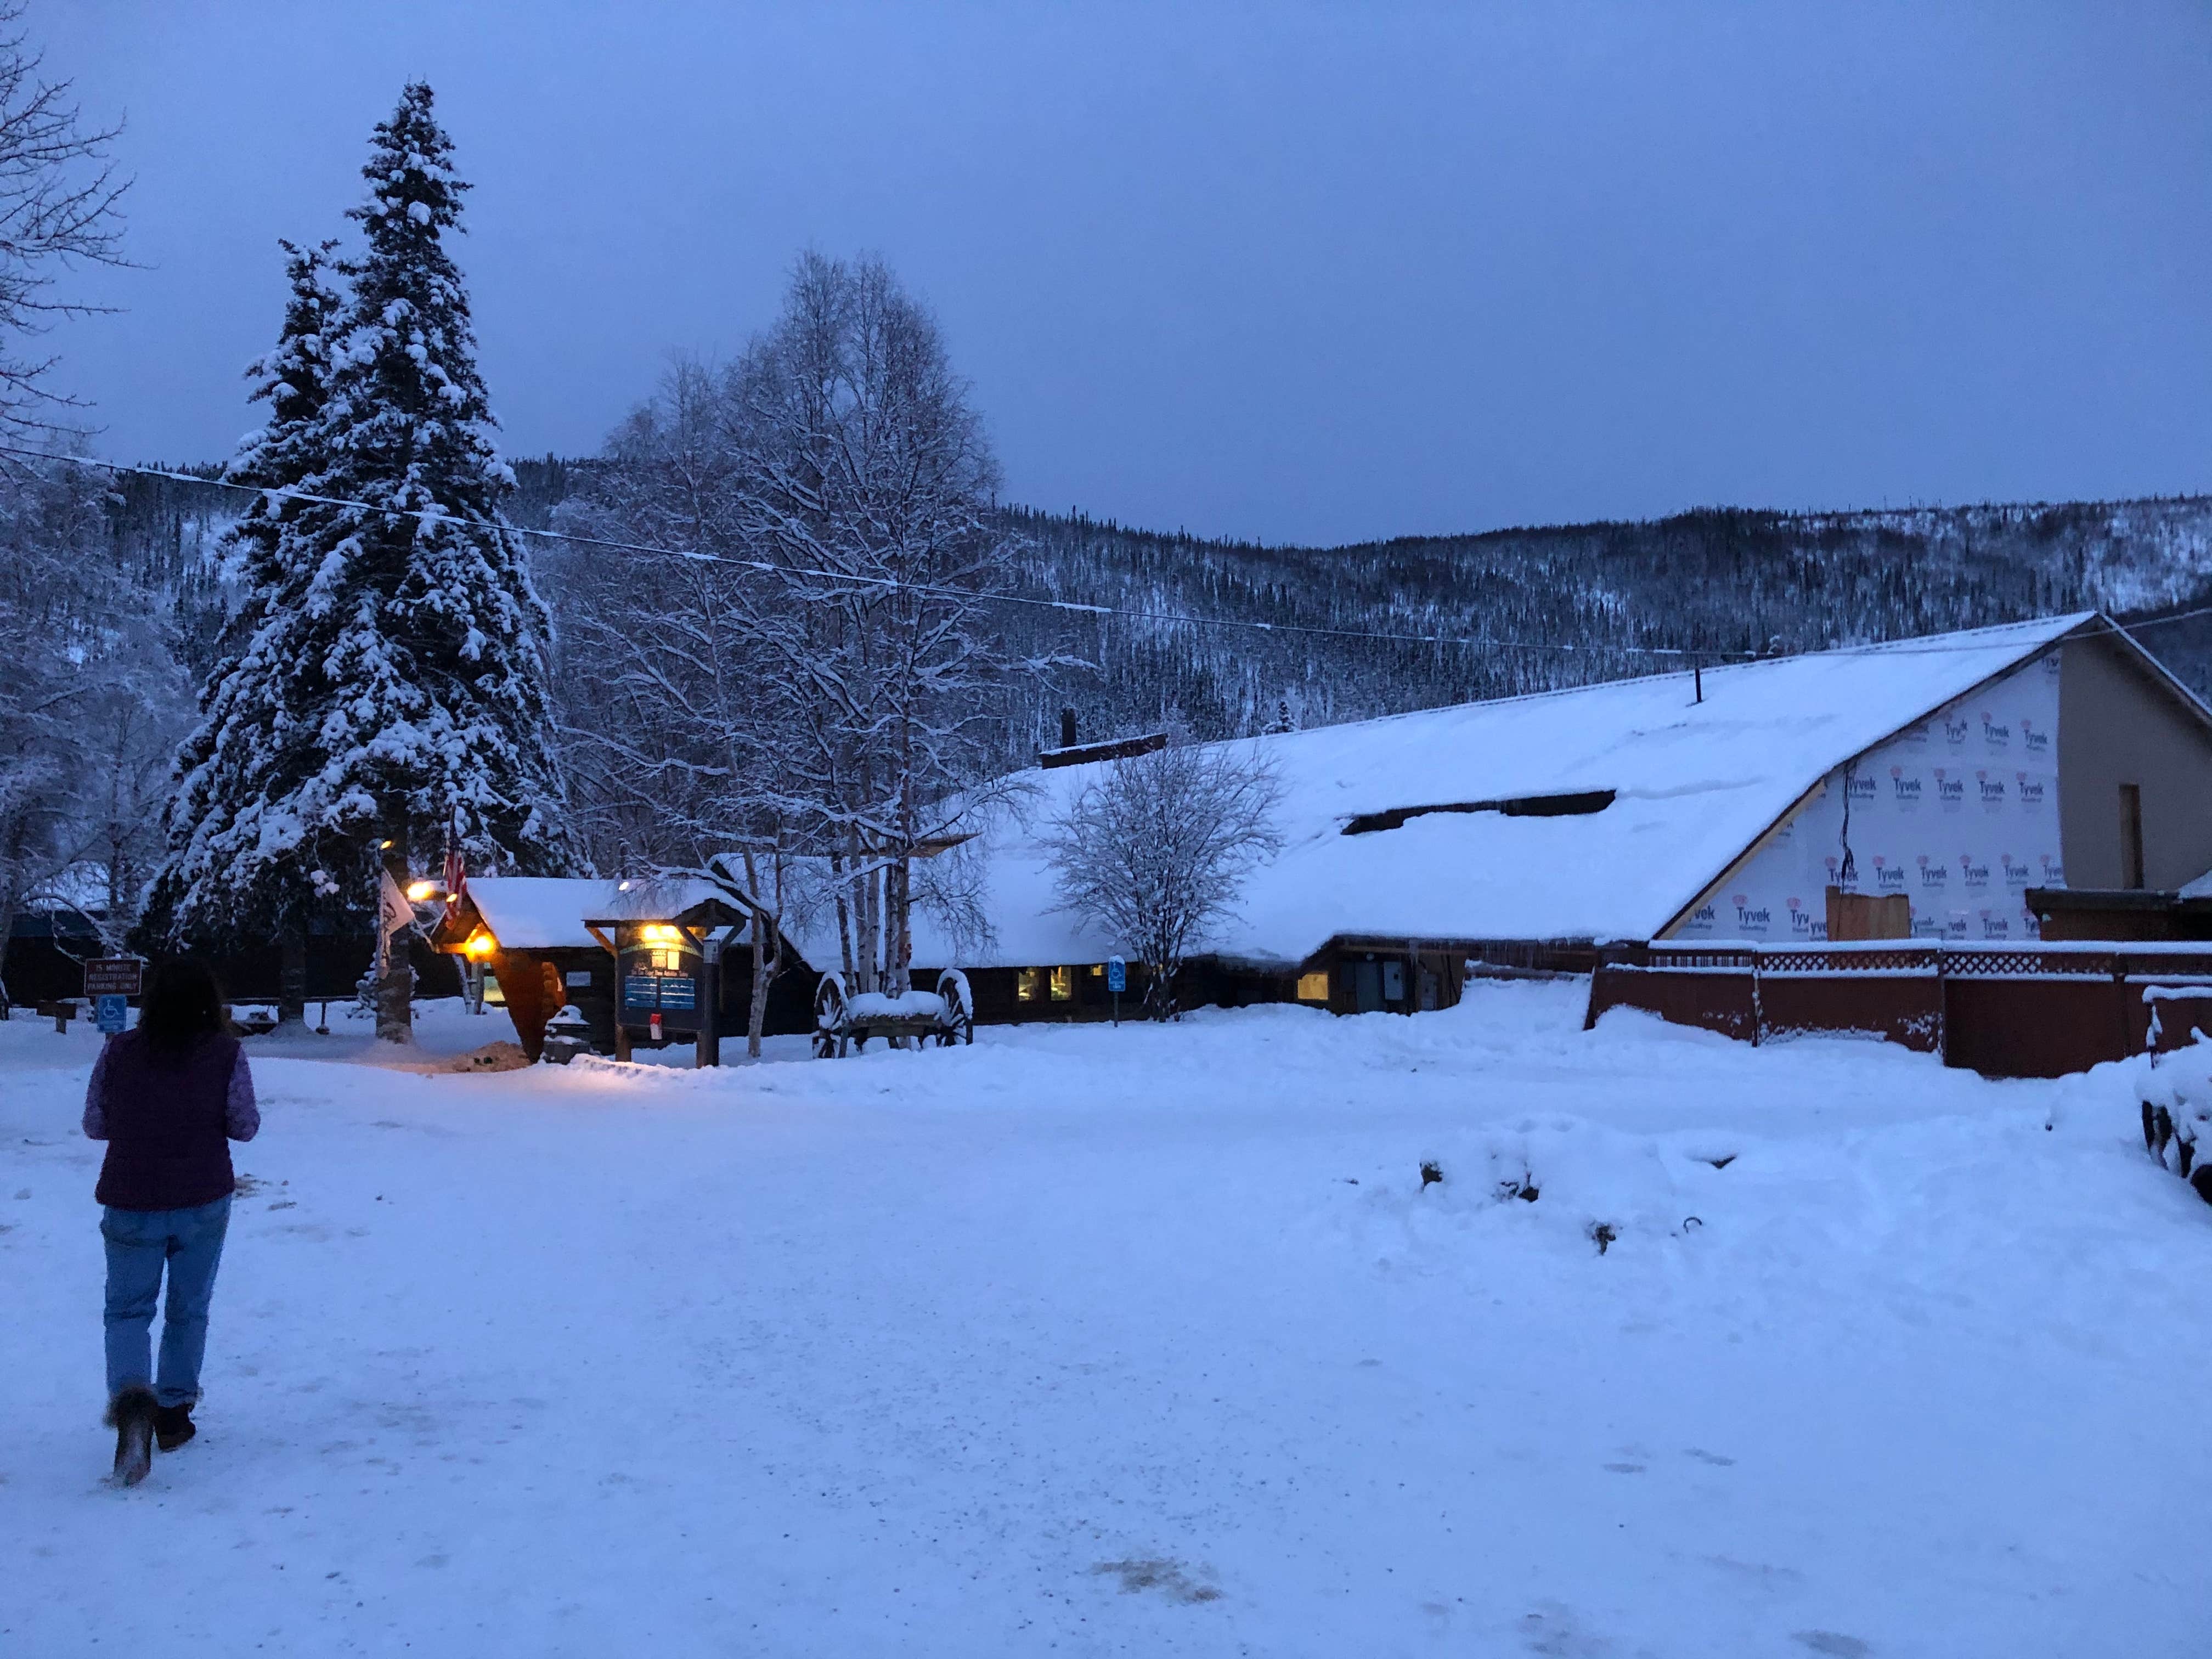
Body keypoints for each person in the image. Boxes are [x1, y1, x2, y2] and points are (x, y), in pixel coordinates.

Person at [82, 958, 259, 1485]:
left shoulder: (119, 1052)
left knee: (128, 1310)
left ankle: (133, 1400)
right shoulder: (227, 1054)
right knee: (190, 1307)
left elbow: (96, 1123)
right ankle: (175, 1415)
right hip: (203, 1198)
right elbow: (245, 1126)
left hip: (131, 1197)